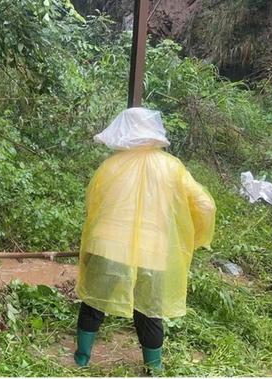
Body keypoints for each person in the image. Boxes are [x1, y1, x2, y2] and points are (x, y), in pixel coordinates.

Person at [73, 107, 216, 373]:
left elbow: (93, 203)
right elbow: (205, 205)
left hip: (108, 245)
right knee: (150, 309)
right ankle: (154, 368)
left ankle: (81, 359)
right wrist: (195, 238)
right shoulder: (172, 167)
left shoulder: (110, 165)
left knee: (94, 301)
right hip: (153, 249)